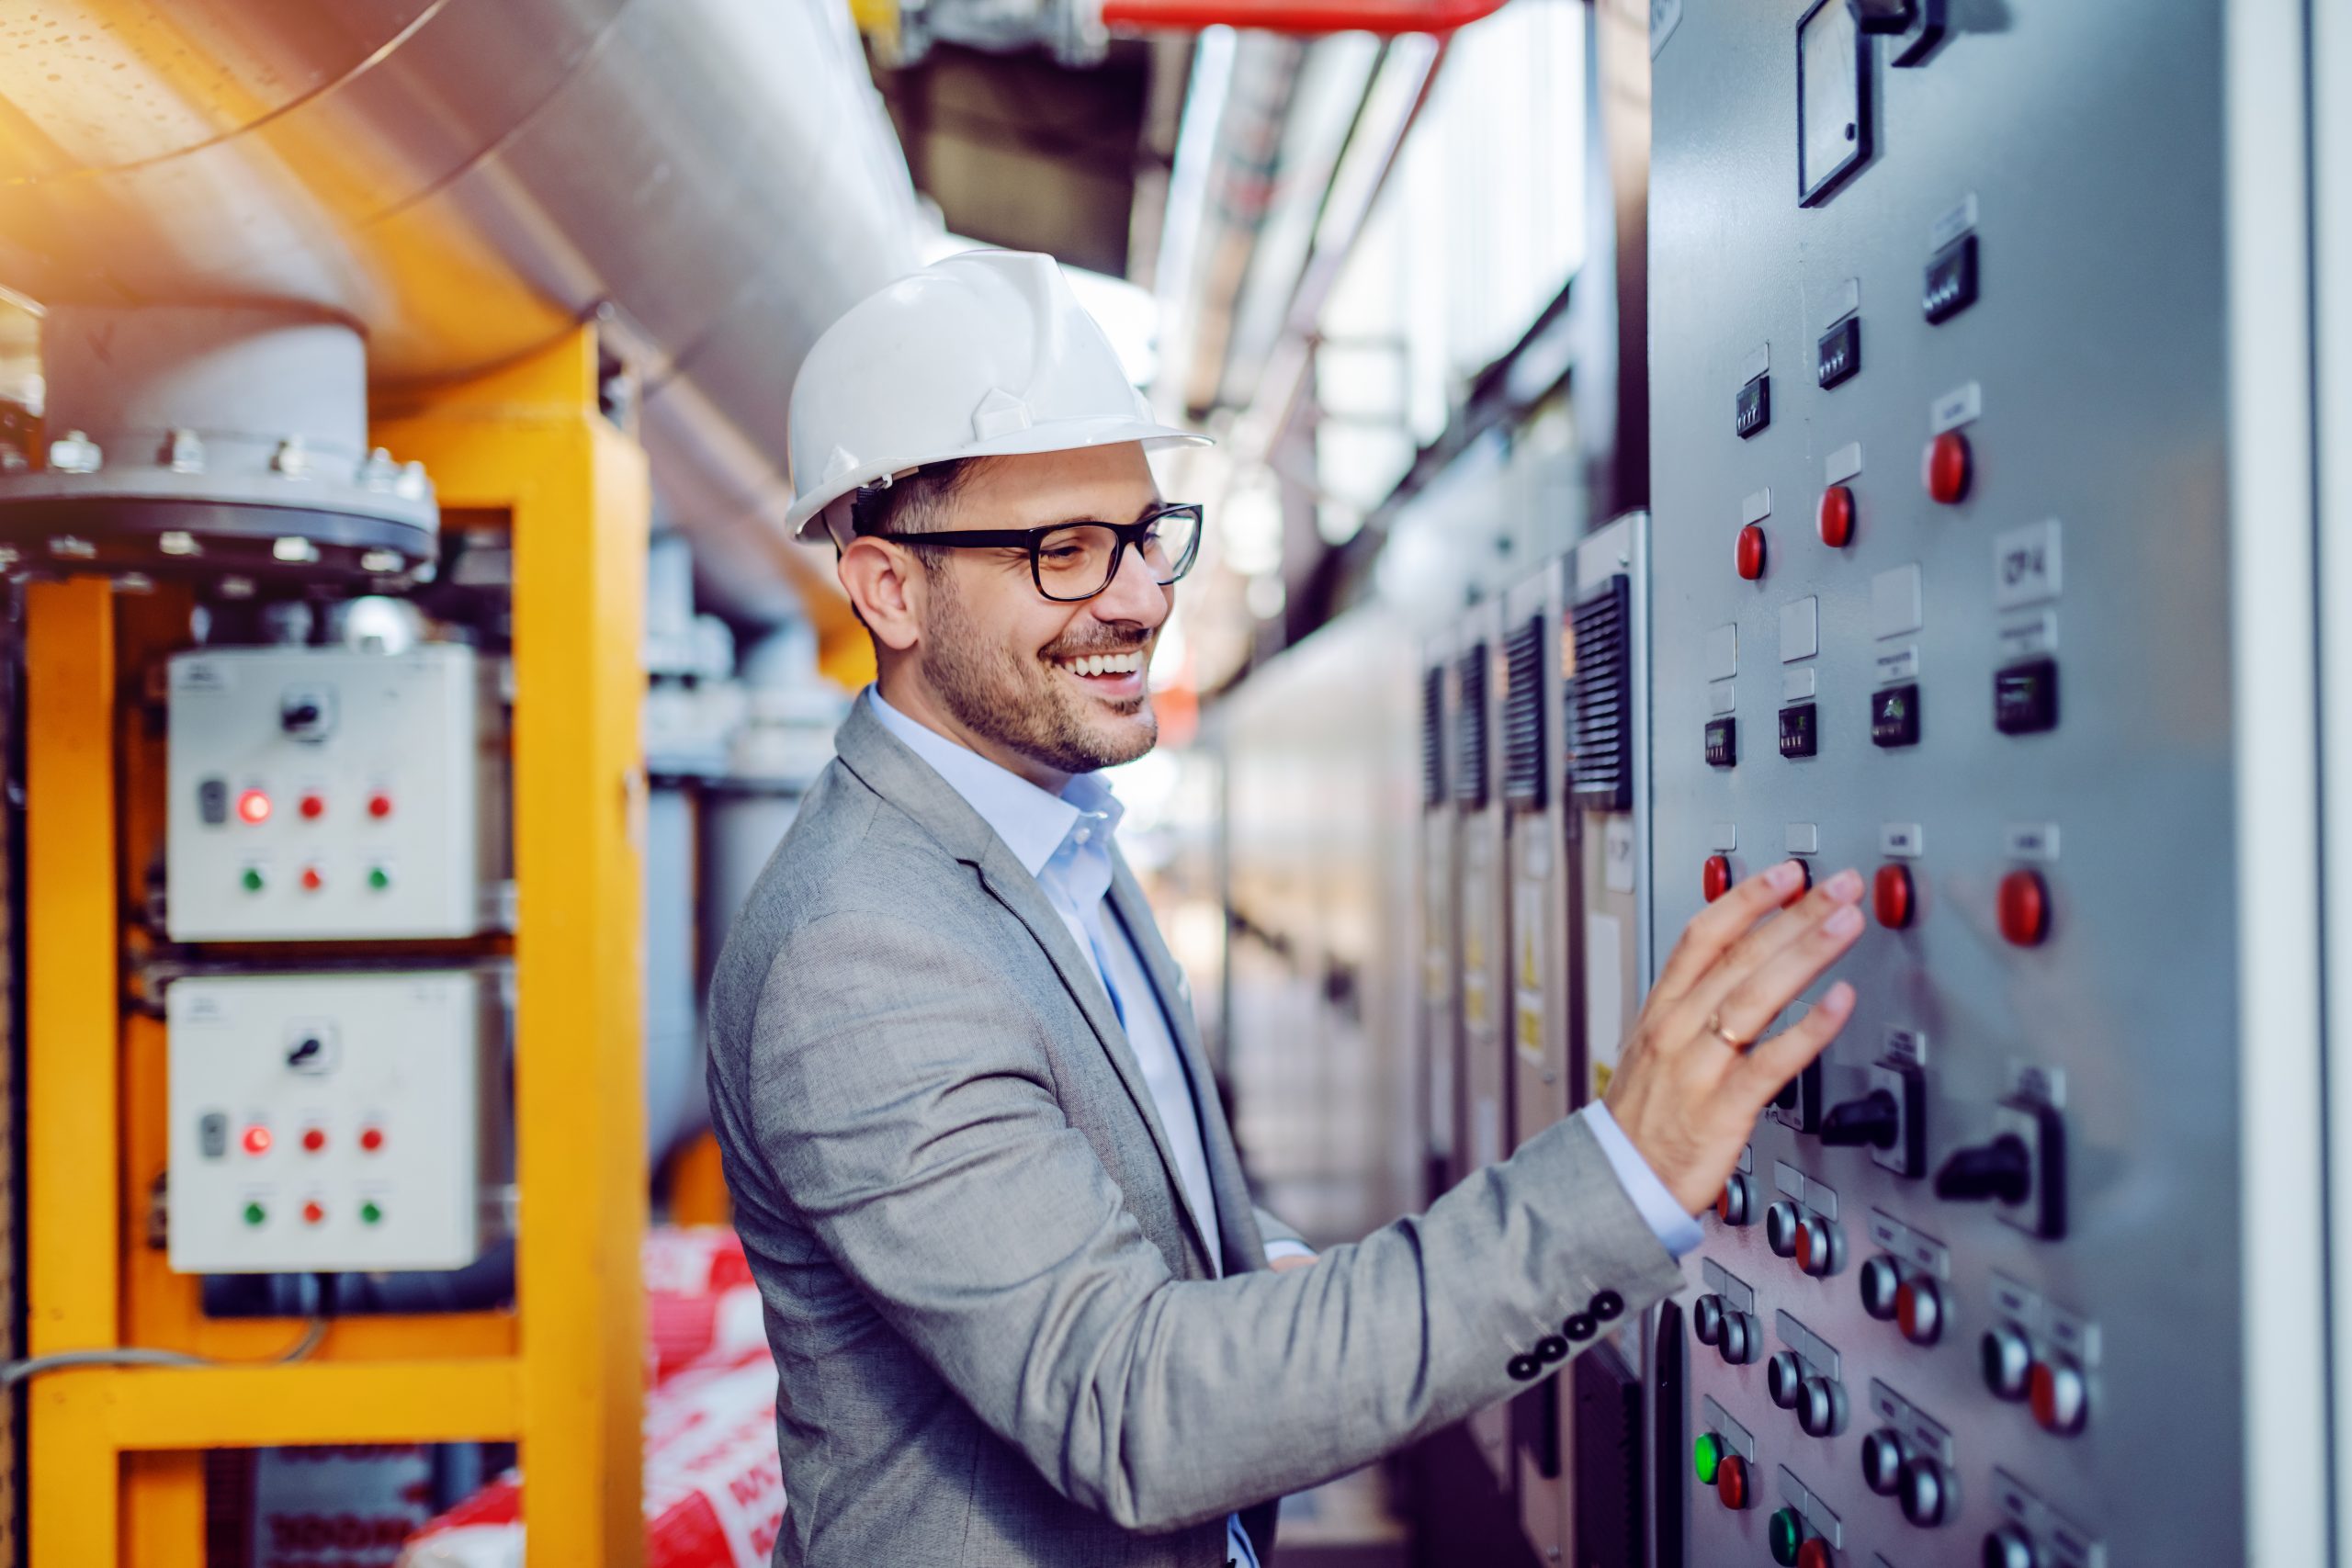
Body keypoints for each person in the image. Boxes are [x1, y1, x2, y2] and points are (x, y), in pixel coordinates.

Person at [705, 250, 1867, 1568]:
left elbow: (1100, 1203)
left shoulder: (1050, 831)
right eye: (1063, 552)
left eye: (1144, 536)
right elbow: (1135, 1409)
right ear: (889, 590)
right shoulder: (863, 952)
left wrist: (1252, 1277)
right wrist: (1624, 1177)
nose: (1141, 598)